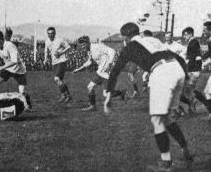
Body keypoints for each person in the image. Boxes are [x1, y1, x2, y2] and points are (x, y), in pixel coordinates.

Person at [104, 22, 193, 171]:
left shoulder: (129, 46)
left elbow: (115, 71)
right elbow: (177, 56)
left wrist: (108, 95)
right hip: (176, 68)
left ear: (126, 37)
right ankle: (186, 151)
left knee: (157, 119)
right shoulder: (153, 40)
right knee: (169, 118)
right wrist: (187, 79)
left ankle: (166, 164)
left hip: (161, 71)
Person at [73, 36, 126, 111]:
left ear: (88, 43)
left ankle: (121, 93)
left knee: (105, 94)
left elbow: (112, 51)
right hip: (100, 72)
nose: (82, 47)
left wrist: (110, 63)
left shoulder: (97, 46)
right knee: (90, 87)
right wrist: (79, 69)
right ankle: (93, 107)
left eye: (84, 44)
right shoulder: (89, 50)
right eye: (81, 45)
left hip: (107, 73)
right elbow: (90, 62)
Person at [0, 30, 31, 109]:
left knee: (21, 92)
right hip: (8, 69)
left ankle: (27, 102)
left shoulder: (10, 46)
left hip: (19, 69)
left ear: (0, 40)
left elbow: (14, 61)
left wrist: (1, 67)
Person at [44, 27, 72, 103]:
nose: (50, 35)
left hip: (62, 61)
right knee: (60, 80)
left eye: (52, 33)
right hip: (54, 62)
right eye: (49, 33)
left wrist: (61, 52)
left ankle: (64, 95)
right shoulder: (47, 41)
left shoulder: (59, 40)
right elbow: (46, 51)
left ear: (55, 33)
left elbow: (68, 47)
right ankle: (68, 96)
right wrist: (45, 59)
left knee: (56, 78)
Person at [195, 21, 211, 121]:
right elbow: (210, 53)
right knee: (207, 92)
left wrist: (202, 63)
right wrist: (201, 57)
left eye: (205, 29)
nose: (203, 31)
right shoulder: (209, 40)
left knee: (207, 93)